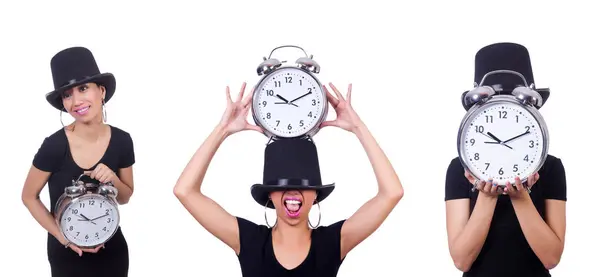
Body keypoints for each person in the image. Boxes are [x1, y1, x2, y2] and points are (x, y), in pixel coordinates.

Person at [174, 82, 404, 276]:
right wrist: (222, 129)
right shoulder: (249, 241)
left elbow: (392, 192)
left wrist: (358, 127)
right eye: (282, 185)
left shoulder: (333, 243)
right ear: (269, 195)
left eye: (303, 185)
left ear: (315, 195)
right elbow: (184, 190)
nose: (293, 193)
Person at [444, 42, 567, 277]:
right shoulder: (458, 169)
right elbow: (461, 260)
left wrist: (520, 197)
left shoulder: (551, 168)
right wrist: (487, 197)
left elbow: (551, 258)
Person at [21, 47, 135, 277]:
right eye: (67, 94)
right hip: (67, 254)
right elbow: (28, 196)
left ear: (101, 91)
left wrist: (112, 178)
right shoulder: (55, 145)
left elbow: (125, 197)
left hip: (112, 249)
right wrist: (62, 237)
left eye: (83, 88)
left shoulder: (122, 140)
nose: (76, 101)